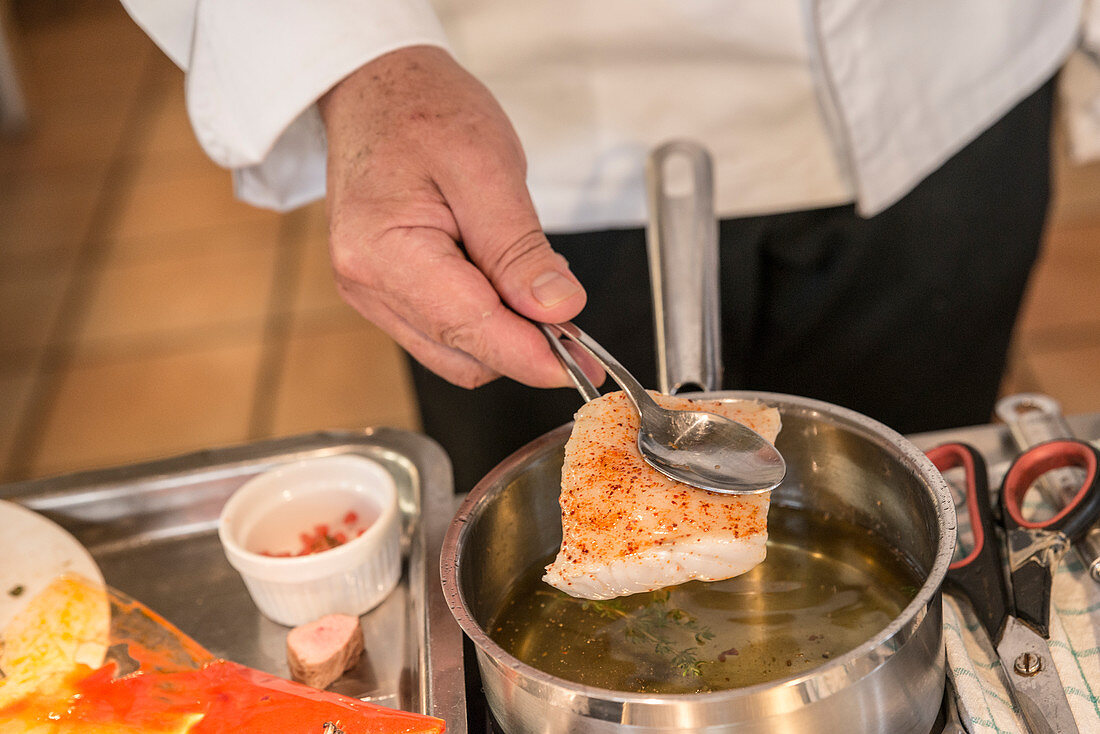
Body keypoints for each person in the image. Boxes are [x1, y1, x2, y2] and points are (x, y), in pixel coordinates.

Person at [121, 1, 1100, 492]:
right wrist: (348, 57)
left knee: (906, 493)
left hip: (953, 74)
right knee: (553, 543)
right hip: (521, 133)